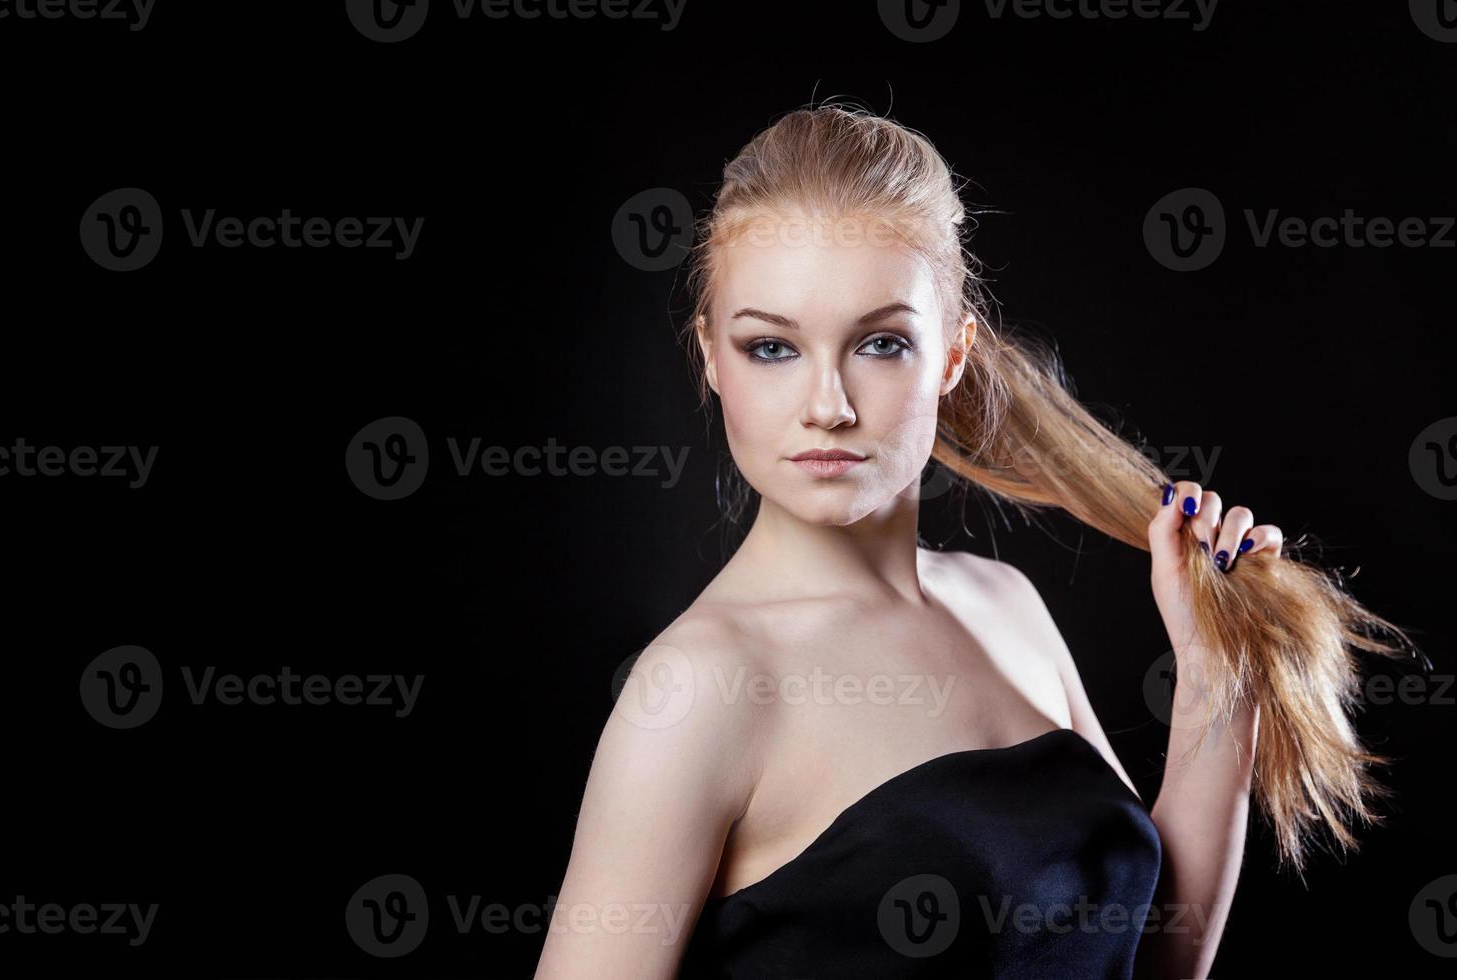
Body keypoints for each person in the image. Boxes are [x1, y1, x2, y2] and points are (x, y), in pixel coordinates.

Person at [534, 103, 1417, 979]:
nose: (828, 406)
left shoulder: (1005, 603)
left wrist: (1215, 690)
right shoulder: (700, 687)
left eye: (880, 344)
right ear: (711, 359)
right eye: (772, 348)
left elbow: (1142, 963)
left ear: (953, 356)